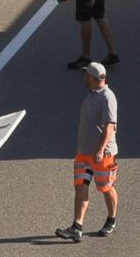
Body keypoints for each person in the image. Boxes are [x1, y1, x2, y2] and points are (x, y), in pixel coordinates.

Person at [56, 62, 119, 242]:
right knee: (80, 187)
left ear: (93, 78)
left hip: (102, 155)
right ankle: (77, 227)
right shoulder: (92, 95)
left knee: (106, 188)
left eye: (86, 75)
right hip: (84, 154)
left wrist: (99, 150)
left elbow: (109, 127)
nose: (84, 78)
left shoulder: (107, 97)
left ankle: (111, 219)